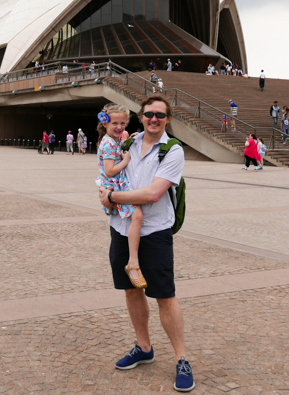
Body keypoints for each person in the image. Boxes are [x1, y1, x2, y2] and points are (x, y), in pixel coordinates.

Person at [97, 95, 193, 392]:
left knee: (164, 295)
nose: (154, 119)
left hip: (154, 231)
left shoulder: (172, 151)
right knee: (130, 290)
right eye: (149, 113)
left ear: (167, 119)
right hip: (121, 228)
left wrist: (110, 197)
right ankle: (144, 347)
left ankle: (182, 359)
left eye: (160, 115)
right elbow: (108, 169)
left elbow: (152, 194)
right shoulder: (129, 142)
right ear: (142, 116)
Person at [95, 104, 146, 289]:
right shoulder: (108, 143)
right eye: (115, 123)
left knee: (137, 216)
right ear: (105, 123)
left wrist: (131, 137)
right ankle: (133, 262)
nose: (119, 127)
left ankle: (133, 260)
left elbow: (123, 139)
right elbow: (109, 171)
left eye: (123, 123)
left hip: (117, 185)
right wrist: (125, 161)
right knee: (138, 216)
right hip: (116, 186)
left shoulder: (112, 139)